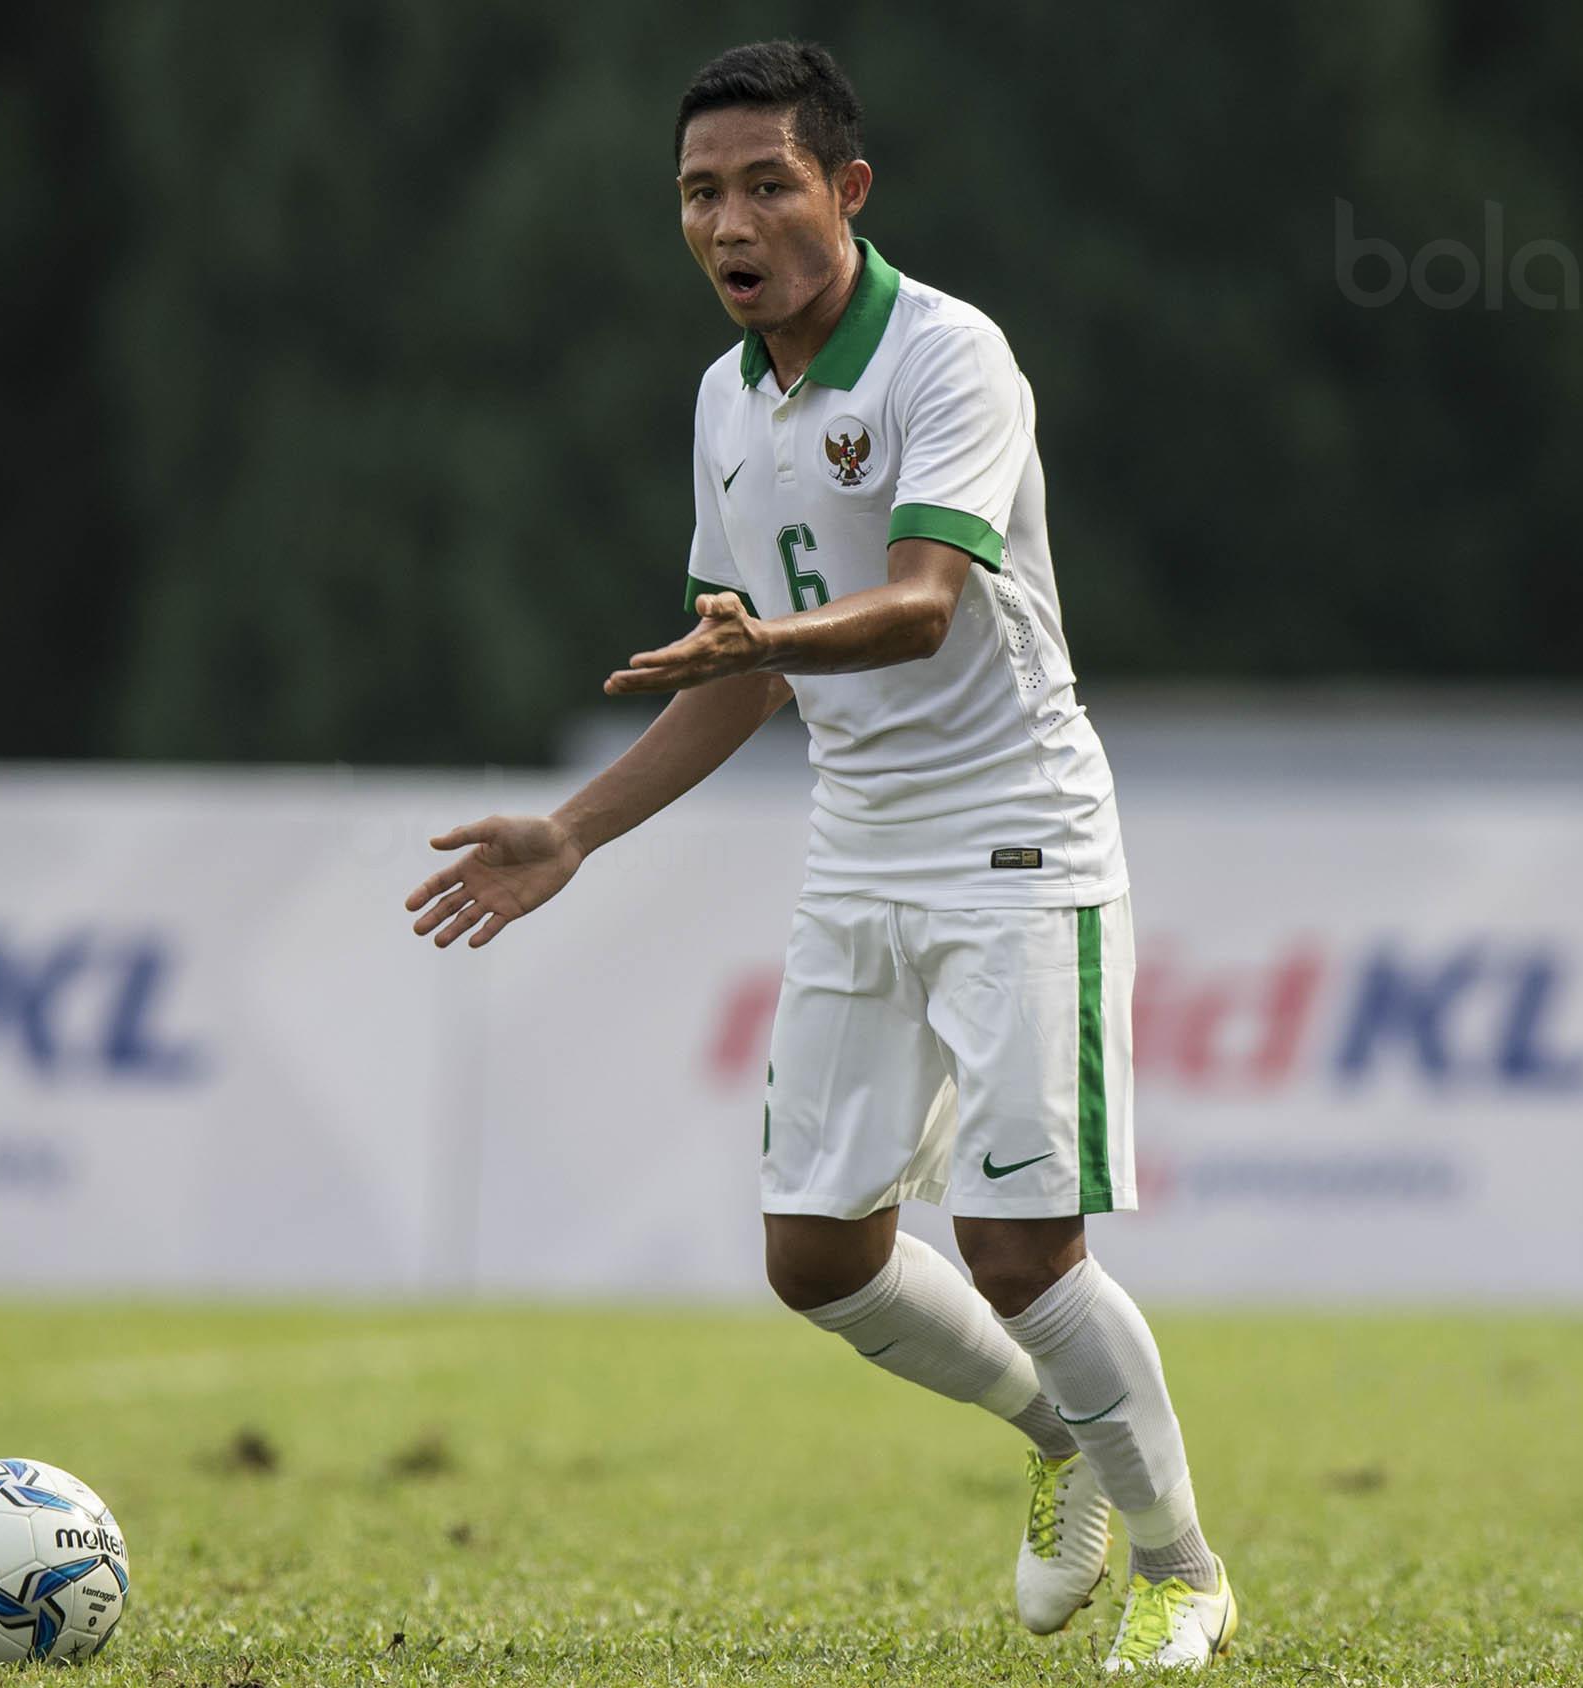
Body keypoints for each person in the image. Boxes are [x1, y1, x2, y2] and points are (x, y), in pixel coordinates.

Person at [401, 38, 1236, 1674]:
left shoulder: (950, 358)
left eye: (767, 183)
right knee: (818, 1259)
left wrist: (754, 645)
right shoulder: (724, 397)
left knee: (1018, 1253)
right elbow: (751, 671)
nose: (731, 220)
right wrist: (570, 830)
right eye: (701, 192)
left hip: (1017, 841)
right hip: (857, 853)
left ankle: (1184, 1568)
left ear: (846, 192)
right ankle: (1060, 1437)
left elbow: (921, 604)